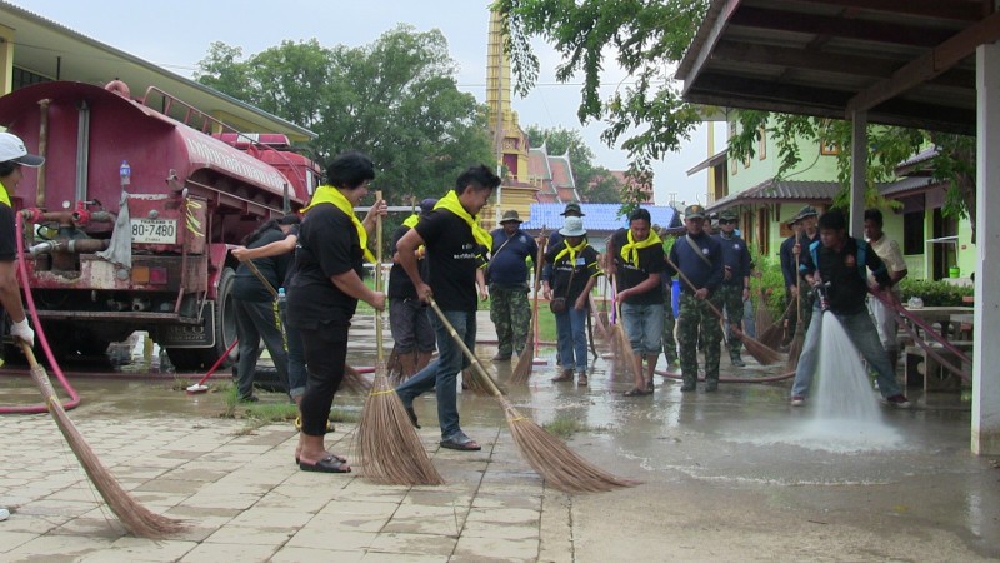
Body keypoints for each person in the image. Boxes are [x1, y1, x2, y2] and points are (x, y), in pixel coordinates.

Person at [286, 150, 386, 473]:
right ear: (346, 183)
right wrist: (371, 297)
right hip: (320, 306)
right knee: (324, 376)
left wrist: (369, 221)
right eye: (362, 186)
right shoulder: (328, 216)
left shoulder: (330, 210)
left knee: (322, 374)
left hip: (318, 305)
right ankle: (313, 452)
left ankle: (306, 445)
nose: (365, 192)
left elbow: (349, 246)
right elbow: (340, 273)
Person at [395, 165, 500, 451]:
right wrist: (418, 284)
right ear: (469, 191)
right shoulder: (441, 217)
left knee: (461, 360)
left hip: (465, 301)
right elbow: (404, 247)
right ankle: (450, 431)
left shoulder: (467, 220)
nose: (485, 203)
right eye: (484, 197)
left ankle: (403, 392)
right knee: (450, 364)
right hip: (444, 301)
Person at [789, 210, 909, 408]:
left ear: (841, 232)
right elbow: (804, 269)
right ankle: (799, 392)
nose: (824, 238)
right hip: (824, 309)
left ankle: (892, 392)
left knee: (875, 352)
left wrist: (887, 290)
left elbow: (879, 269)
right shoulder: (815, 249)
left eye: (829, 234)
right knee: (810, 349)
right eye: (822, 233)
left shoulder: (860, 249)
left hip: (855, 311)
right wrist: (811, 279)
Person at [0, 133, 43, 522]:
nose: (21, 178)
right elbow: (5, 281)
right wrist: (20, 322)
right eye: (18, 170)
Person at [231, 215, 299, 402]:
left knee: (247, 344)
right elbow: (284, 274)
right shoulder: (280, 239)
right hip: (259, 291)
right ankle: (296, 393)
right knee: (276, 342)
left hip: (238, 289)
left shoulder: (260, 237)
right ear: (289, 227)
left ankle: (243, 393)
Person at [666, 205, 724, 393]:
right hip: (687, 298)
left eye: (699, 220)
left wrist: (707, 288)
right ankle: (688, 378)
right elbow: (671, 269)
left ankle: (712, 378)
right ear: (686, 222)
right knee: (686, 339)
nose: (695, 224)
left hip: (710, 298)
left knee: (711, 339)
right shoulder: (679, 244)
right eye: (692, 220)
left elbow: (719, 272)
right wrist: (663, 265)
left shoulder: (714, 245)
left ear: (704, 221)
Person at [610, 208, 665, 396]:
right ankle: (639, 381)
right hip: (628, 302)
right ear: (630, 227)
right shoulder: (620, 237)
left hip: (652, 301)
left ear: (649, 227)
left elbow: (654, 280)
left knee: (652, 343)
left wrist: (627, 292)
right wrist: (610, 263)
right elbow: (610, 243)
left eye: (643, 229)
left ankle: (649, 379)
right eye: (636, 229)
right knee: (633, 340)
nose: (639, 233)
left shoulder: (656, 247)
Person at [544, 216, 601, 385]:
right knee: (563, 334)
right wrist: (540, 246)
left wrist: (583, 297)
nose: (572, 239)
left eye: (575, 236)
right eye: (569, 236)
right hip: (560, 299)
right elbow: (545, 261)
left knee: (578, 334)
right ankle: (567, 368)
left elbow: (593, 276)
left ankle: (582, 371)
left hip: (578, 299)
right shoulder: (559, 248)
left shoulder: (588, 252)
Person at [387, 199, 438, 379]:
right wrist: (420, 252)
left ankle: (418, 377)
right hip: (403, 294)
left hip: (426, 296)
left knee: (428, 340)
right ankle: (410, 377)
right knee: (404, 339)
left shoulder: (437, 234)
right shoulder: (404, 231)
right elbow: (396, 257)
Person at [487, 210, 537, 361]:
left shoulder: (527, 239)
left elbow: (538, 259)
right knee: (500, 320)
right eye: (509, 222)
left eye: (515, 222)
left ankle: (522, 353)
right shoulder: (494, 236)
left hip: (517, 287)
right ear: (503, 223)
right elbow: (481, 253)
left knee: (520, 322)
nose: (512, 225)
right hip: (497, 286)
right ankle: (504, 350)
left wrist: (540, 279)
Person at [864, 208, 908, 370]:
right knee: (872, 335)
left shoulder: (889, 245)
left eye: (871, 227)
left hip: (886, 296)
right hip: (870, 296)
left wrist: (883, 285)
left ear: (880, 225)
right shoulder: (865, 245)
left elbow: (901, 270)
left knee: (886, 337)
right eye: (865, 227)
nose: (868, 230)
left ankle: (890, 374)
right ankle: (876, 372)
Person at [713, 210, 752, 367]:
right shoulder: (713, 241)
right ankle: (713, 353)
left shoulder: (740, 243)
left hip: (735, 287)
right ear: (720, 224)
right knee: (713, 320)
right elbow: (708, 264)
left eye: (731, 222)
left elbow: (746, 267)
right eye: (724, 222)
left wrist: (747, 287)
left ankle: (735, 354)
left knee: (735, 320)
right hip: (716, 287)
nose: (728, 224)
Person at [779, 215, 803, 346]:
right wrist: (791, 286)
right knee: (793, 312)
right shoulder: (786, 245)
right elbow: (785, 267)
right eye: (795, 225)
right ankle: (793, 341)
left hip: (806, 283)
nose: (798, 227)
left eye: (800, 224)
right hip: (793, 283)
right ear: (792, 227)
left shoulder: (807, 242)